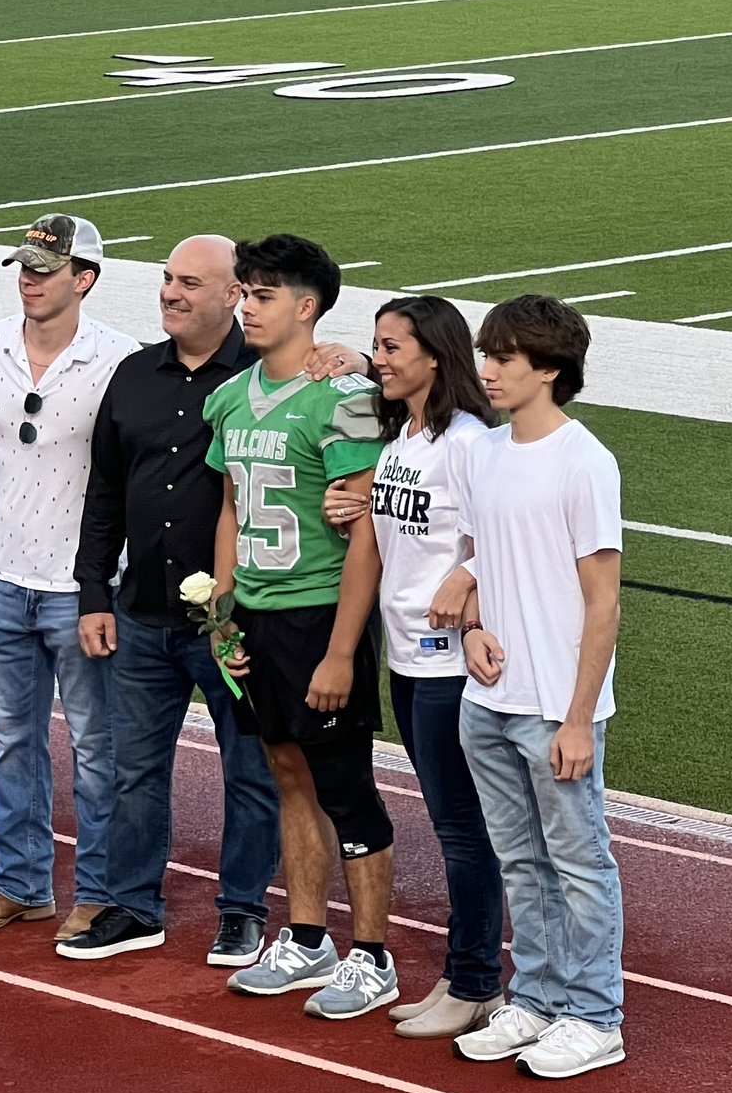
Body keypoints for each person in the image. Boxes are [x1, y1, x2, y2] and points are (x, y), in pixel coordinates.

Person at [57, 235, 372, 967]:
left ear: (238, 296)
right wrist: (94, 591)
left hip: (248, 617)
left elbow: (383, 421)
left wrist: (355, 360)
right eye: (166, 279)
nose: (170, 292)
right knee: (134, 768)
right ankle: (134, 907)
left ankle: (244, 913)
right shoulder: (139, 376)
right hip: (145, 610)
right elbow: (105, 492)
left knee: (261, 771)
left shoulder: (302, 380)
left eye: (190, 282)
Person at [0, 214, 140, 940]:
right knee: (14, 742)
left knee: (97, 749)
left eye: (46, 269)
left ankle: (99, 894)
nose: (30, 280)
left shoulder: (120, 360)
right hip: (4, 577)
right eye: (25, 267)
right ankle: (20, 885)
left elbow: (144, 473)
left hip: (85, 590)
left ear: (86, 279)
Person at [204, 233, 396, 1021]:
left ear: (307, 307)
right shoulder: (228, 395)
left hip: (320, 613)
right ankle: (310, 936)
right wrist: (220, 611)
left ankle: (374, 956)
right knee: (286, 772)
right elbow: (230, 509)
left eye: (263, 294)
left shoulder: (343, 396)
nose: (246, 306)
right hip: (255, 613)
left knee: (345, 785)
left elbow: (368, 529)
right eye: (245, 292)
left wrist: (343, 650)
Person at [321, 295, 506, 1038]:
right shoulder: (402, 442)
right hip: (406, 656)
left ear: (434, 352)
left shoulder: (468, 443)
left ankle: (475, 981)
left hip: (450, 664)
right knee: (454, 824)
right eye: (378, 347)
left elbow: (510, 533)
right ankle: (466, 977)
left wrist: (472, 577)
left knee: (464, 831)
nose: (383, 358)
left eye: (393, 347)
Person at [451, 293, 626, 1079]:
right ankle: (539, 997)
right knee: (520, 860)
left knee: (580, 863)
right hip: (487, 699)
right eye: (488, 354)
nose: (487, 370)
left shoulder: (585, 463)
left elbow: (603, 601)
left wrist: (580, 717)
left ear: (549, 370)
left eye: (504, 358)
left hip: (554, 707)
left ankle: (595, 1016)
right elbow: (477, 561)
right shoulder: (485, 452)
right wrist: (473, 628)